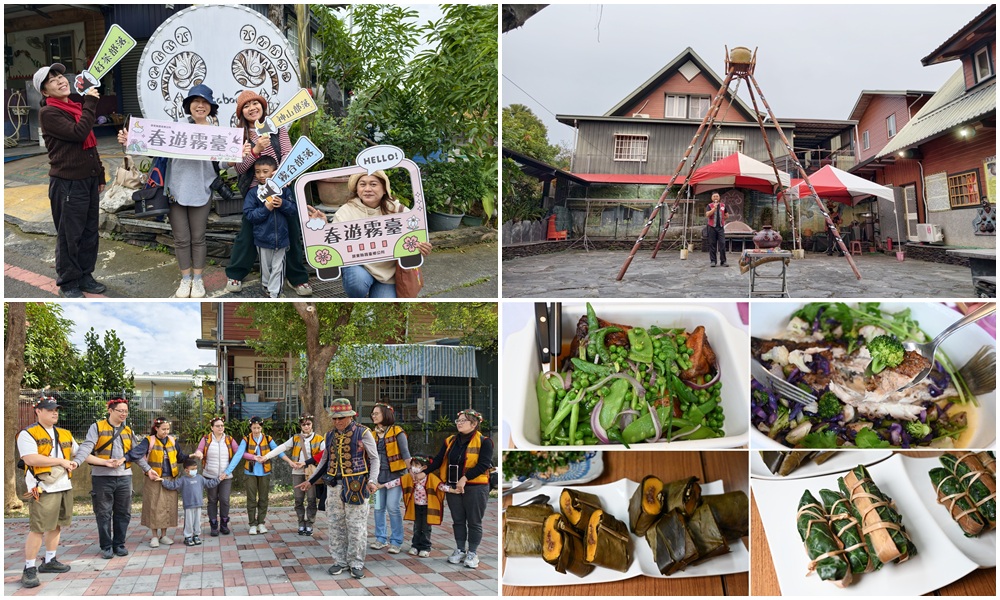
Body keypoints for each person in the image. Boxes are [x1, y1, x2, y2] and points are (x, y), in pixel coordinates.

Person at [117, 85, 224, 298]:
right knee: (181, 239)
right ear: (188, 106)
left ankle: (198, 279)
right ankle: (185, 280)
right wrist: (130, 140)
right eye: (196, 102)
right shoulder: (174, 128)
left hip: (201, 192)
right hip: (175, 192)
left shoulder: (218, 133)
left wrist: (234, 157)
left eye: (205, 103)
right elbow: (148, 144)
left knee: (198, 238)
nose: (200, 106)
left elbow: (222, 164)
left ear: (211, 107)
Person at [225, 90, 313, 297]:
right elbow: (238, 168)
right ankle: (236, 273)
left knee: (291, 232)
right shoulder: (240, 136)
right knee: (247, 233)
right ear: (241, 112)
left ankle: (297, 278)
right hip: (254, 191)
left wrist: (280, 176)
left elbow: (289, 154)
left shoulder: (277, 128)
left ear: (263, 106)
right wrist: (255, 150)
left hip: (281, 186)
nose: (252, 108)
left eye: (256, 103)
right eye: (246, 106)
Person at [34, 63, 107, 298]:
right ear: (45, 91)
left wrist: (100, 174)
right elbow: (79, 134)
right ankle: (68, 282)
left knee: (89, 233)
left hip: (88, 180)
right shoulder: (49, 113)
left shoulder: (75, 107)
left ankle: (85, 275)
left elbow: (90, 147)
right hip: (67, 183)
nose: (61, 80)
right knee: (69, 236)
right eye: (52, 80)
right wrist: (91, 103)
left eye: (60, 76)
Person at [297, 399, 380, 580]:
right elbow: (324, 461)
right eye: (334, 418)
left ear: (350, 416)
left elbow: (374, 459)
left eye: (341, 418)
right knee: (335, 524)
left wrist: (372, 480)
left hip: (357, 485)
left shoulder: (363, 433)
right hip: (334, 486)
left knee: (356, 526)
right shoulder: (329, 436)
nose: (337, 422)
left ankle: (356, 562)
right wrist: (310, 481)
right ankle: (339, 561)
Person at [324, 171, 432, 298]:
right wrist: (322, 226)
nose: (367, 189)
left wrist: (422, 248)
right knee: (357, 284)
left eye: (373, 184)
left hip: (388, 275)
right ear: (357, 190)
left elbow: (416, 237)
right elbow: (333, 243)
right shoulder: (345, 212)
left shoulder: (399, 211)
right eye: (362, 184)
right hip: (360, 267)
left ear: (384, 189)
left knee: (385, 307)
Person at [17, 397, 80, 588]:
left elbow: (79, 452)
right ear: (38, 411)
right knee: (38, 528)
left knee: (56, 525)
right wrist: (61, 461)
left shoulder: (65, 433)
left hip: (63, 486)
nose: (55, 413)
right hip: (42, 487)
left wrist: (105, 461)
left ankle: (50, 561)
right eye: (50, 409)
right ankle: (29, 568)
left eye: (56, 410)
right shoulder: (28, 433)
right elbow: (30, 458)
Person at [425, 409, 493, 569]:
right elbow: (438, 460)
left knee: (474, 521)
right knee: (458, 520)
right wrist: (424, 472)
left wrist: (465, 478)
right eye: (458, 420)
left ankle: (473, 553)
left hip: (476, 487)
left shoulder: (485, 442)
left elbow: (483, 464)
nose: (459, 423)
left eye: (463, 420)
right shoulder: (450, 441)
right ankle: (460, 549)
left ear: (474, 424)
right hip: (453, 486)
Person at [71, 394, 135, 559]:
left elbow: (136, 454)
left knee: (124, 513)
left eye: (126, 411)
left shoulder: (128, 430)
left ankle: (119, 544)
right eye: (120, 411)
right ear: (110, 410)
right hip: (102, 478)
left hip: (124, 477)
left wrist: (148, 470)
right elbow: (86, 447)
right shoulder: (97, 427)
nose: (123, 414)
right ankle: (106, 546)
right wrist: (78, 462)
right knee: (103, 513)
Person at [127, 417, 191, 547]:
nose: (166, 432)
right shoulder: (148, 441)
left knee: (168, 507)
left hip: (170, 479)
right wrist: (124, 458)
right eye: (163, 429)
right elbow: (137, 453)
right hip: (154, 479)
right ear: (156, 428)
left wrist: (191, 456)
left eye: (168, 429)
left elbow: (180, 457)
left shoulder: (173, 441)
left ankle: (164, 535)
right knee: (154, 507)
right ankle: (154, 536)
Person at [260, 414, 325, 535]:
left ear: (312, 425)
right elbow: (281, 448)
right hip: (297, 472)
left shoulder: (319, 439)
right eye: (304, 424)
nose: (306, 426)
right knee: (298, 499)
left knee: (311, 499)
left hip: (312, 473)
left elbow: (324, 454)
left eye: (308, 424)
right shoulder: (295, 438)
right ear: (300, 425)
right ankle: (301, 522)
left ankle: (310, 523)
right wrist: (266, 457)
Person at [243, 155, 297, 298]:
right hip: (262, 238)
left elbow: (293, 209)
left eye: (265, 171)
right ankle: (266, 286)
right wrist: (266, 208)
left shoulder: (284, 190)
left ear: (274, 171)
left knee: (278, 267)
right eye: (258, 171)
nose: (261, 175)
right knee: (265, 267)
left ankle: (275, 293)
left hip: (282, 238)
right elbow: (250, 215)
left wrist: (283, 204)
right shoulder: (253, 193)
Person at [224, 416, 284, 534]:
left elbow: (278, 451)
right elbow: (238, 455)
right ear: (250, 428)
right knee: (251, 498)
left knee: (263, 498)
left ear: (262, 427)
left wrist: (290, 462)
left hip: (264, 472)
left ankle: (261, 523)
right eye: (254, 428)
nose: (256, 430)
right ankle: (252, 524)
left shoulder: (268, 438)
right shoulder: (246, 439)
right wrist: (228, 471)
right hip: (250, 473)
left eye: (258, 428)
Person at [369, 403, 411, 553]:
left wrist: (411, 471)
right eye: (373, 414)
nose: (373, 416)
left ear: (386, 414)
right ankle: (380, 539)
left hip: (395, 476)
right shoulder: (372, 434)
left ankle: (396, 541)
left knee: (393, 507)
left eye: (376, 413)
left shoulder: (397, 431)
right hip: (378, 477)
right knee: (378, 508)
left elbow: (405, 453)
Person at [158, 458, 227, 546]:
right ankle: (188, 537)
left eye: (196, 469)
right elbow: (173, 485)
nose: (195, 471)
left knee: (197, 521)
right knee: (189, 522)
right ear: (186, 470)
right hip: (188, 505)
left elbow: (210, 483)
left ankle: (196, 535)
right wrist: (163, 481)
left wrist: (219, 479)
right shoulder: (183, 480)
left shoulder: (200, 478)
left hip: (198, 504)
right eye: (192, 469)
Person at [193, 416, 239, 536]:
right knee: (212, 500)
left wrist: (253, 456)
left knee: (225, 500)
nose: (220, 428)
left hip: (226, 476)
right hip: (210, 476)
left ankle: (224, 524)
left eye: (222, 426)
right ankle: (213, 525)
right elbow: (200, 449)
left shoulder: (229, 439)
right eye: (217, 426)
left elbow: (238, 452)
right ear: (212, 427)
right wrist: (199, 453)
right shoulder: (206, 439)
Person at [400, 456, 445, 558]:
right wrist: (381, 486)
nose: (413, 467)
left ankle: (425, 547)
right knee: (417, 527)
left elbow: (440, 486)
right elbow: (398, 482)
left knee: (426, 528)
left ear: (424, 467)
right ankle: (415, 546)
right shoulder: (410, 477)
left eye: (416, 465)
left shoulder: (431, 478)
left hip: (427, 507)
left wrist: (453, 490)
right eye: (412, 465)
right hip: (416, 506)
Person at [705, 192, 728, 267]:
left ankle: (723, 261)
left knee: (722, 244)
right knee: (712, 244)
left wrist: (724, 218)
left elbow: (726, 215)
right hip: (712, 227)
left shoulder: (723, 205)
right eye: (714, 196)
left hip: (720, 227)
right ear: (712, 198)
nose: (715, 197)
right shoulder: (709, 205)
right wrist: (714, 208)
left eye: (717, 196)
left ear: (719, 197)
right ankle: (713, 261)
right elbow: (707, 214)